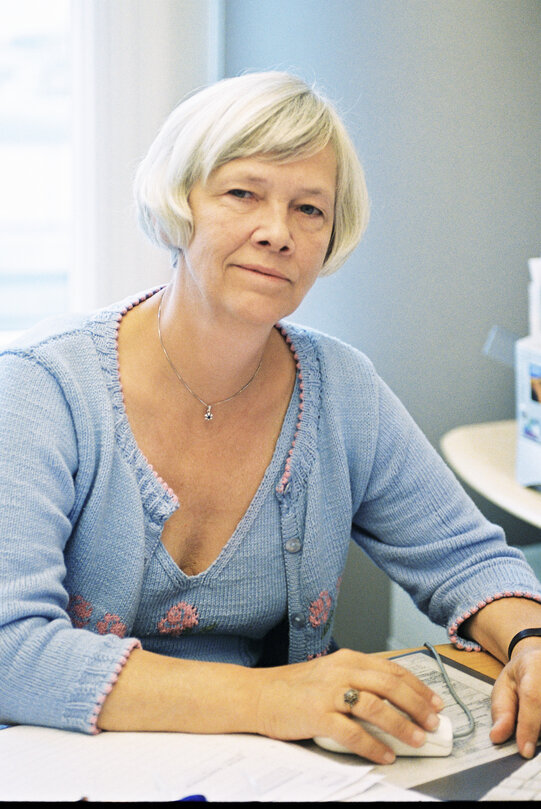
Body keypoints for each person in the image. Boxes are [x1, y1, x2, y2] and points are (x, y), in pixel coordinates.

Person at [1, 71, 541, 766]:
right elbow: (11, 648)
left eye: (309, 209)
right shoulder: (40, 384)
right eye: (242, 193)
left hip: (270, 774)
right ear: (179, 201)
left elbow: (465, 559)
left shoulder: (344, 389)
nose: (278, 232)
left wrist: (529, 639)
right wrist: (271, 697)